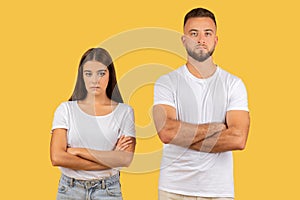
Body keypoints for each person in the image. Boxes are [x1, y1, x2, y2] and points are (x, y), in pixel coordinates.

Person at [153, 8, 250, 200]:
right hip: (174, 189)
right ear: (184, 40)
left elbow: (238, 139)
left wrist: (184, 136)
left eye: (207, 33)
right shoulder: (167, 82)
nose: (201, 39)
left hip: (218, 191)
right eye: (193, 33)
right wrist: (216, 128)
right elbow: (167, 132)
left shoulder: (233, 84)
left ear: (215, 39)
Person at [50, 47, 136, 200]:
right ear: (81, 76)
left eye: (101, 73)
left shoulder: (124, 112)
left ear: (110, 75)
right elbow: (57, 157)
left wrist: (78, 151)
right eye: (88, 74)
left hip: (108, 190)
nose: (95, 80)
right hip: (70, 189)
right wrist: (110, 160)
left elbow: (125, 159)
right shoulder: (66, 110)